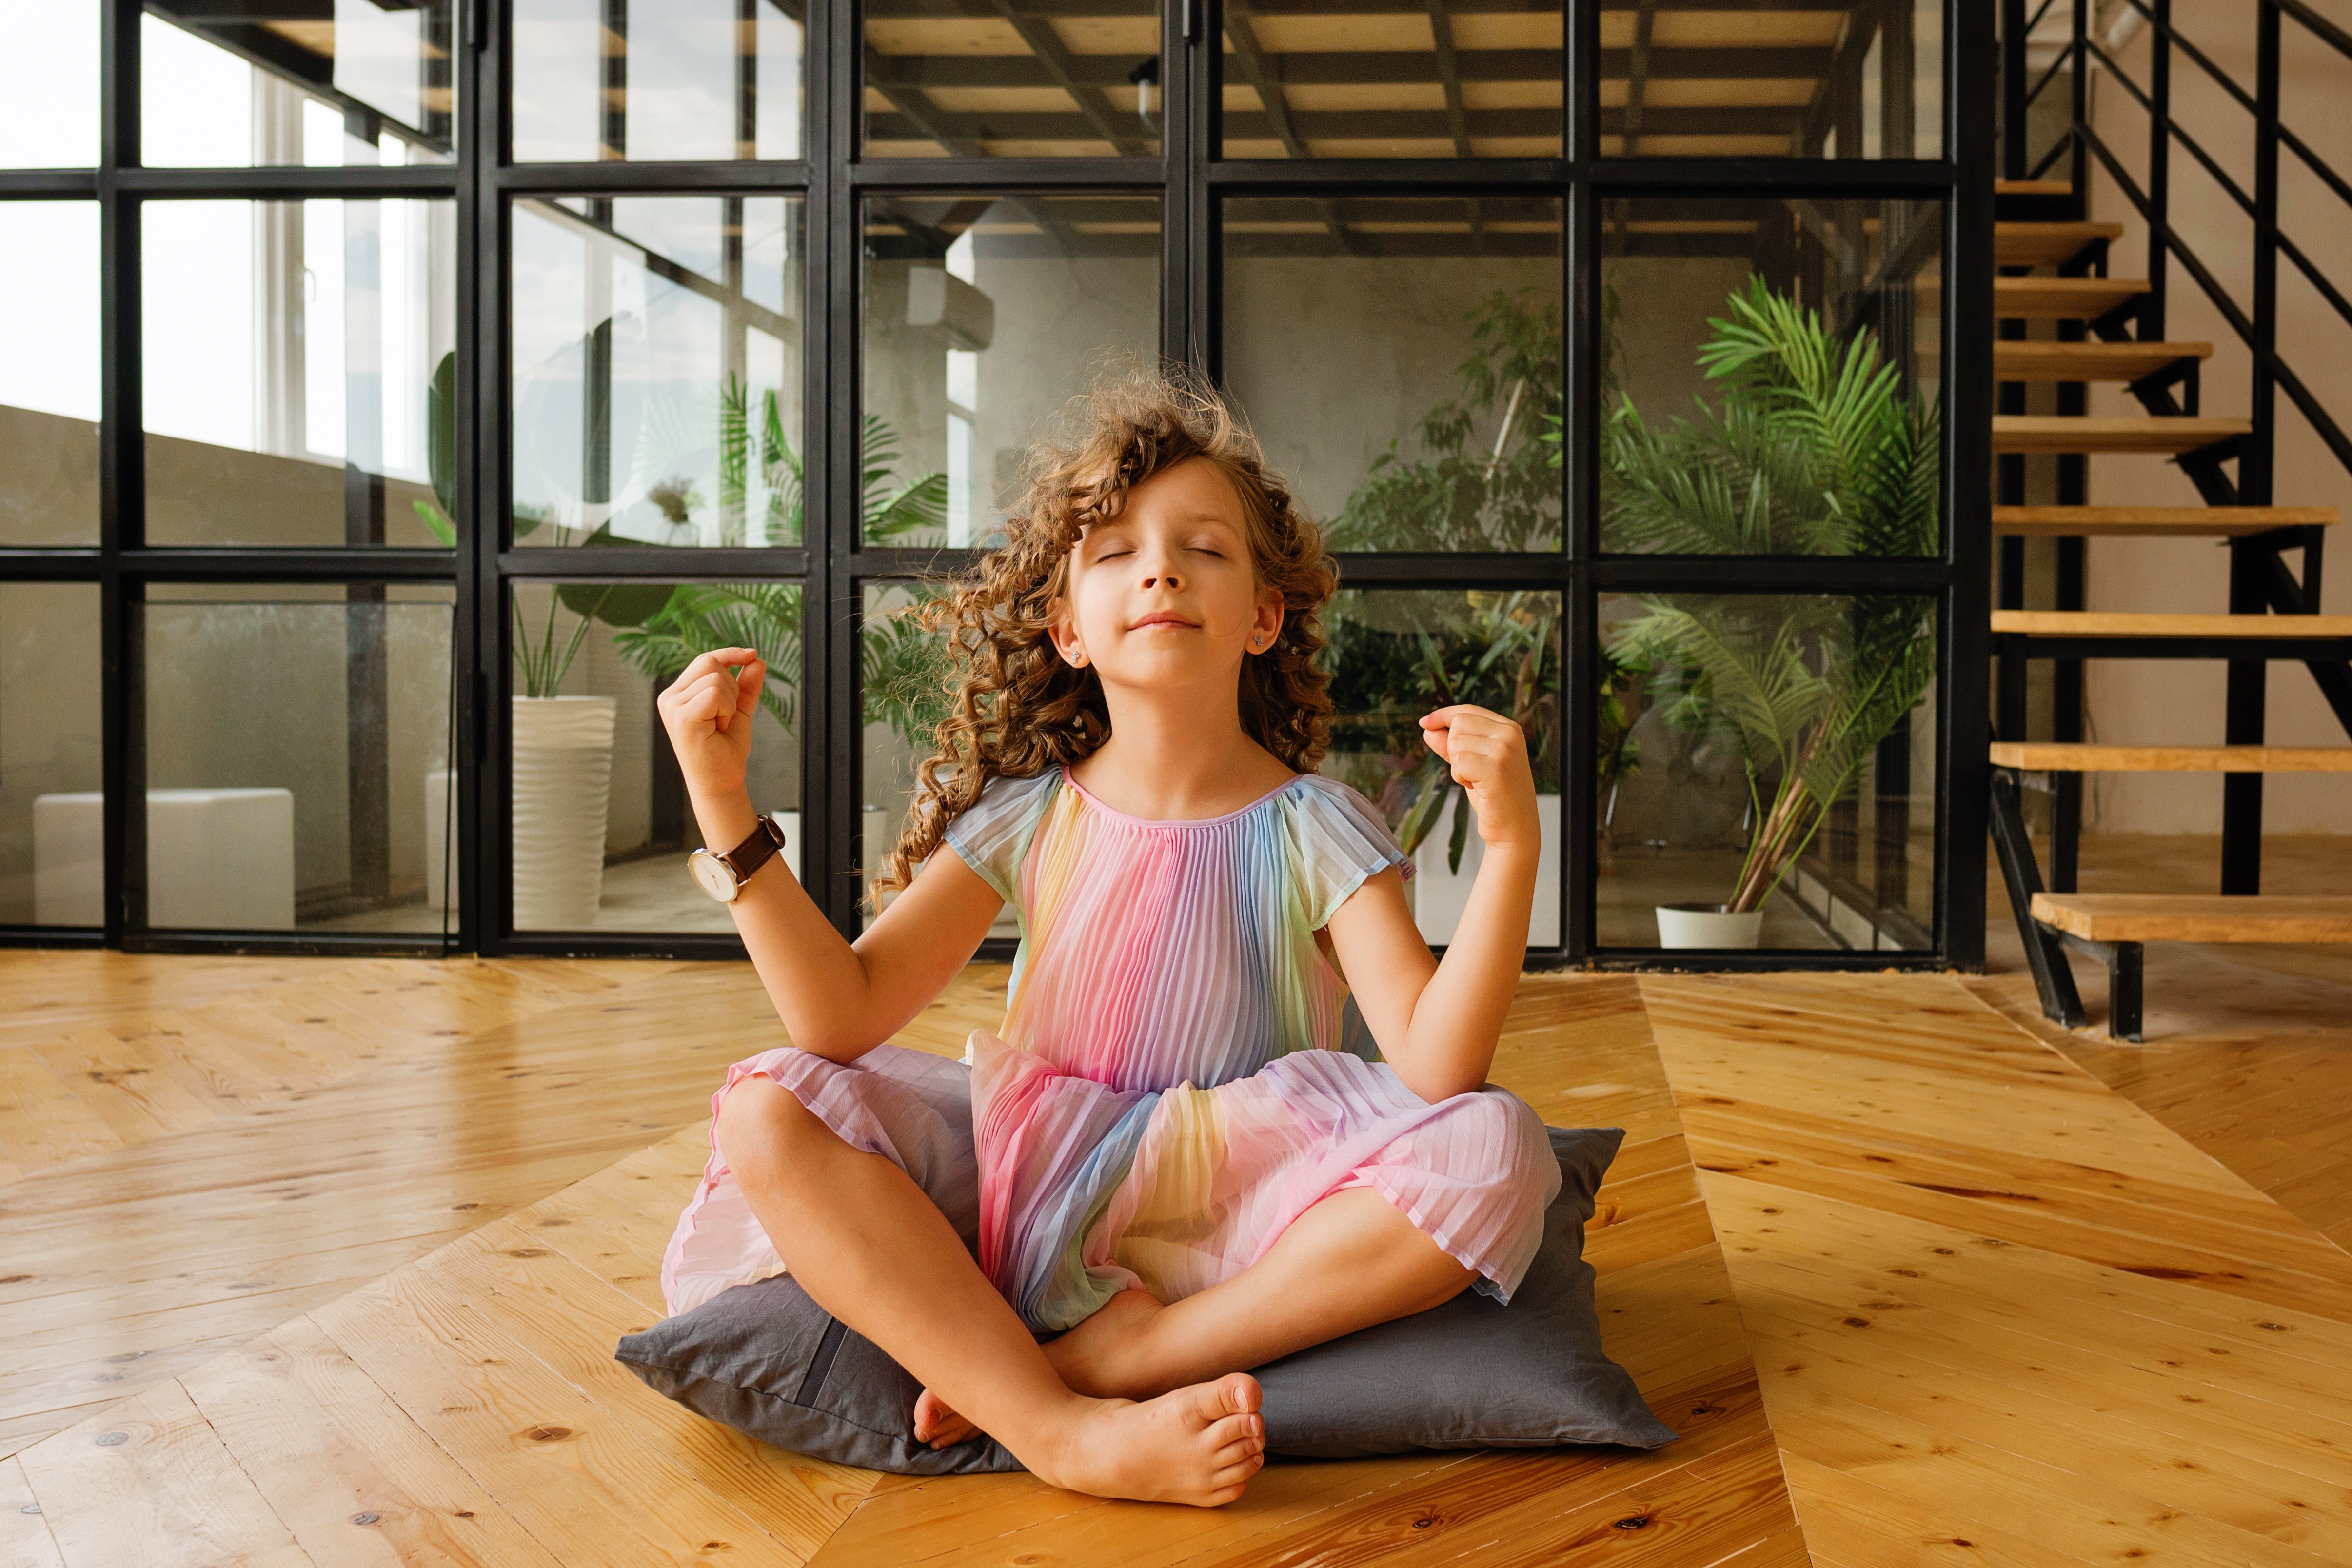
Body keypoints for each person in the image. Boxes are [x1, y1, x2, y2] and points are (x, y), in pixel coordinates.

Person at [653, 366, 1559, 1508]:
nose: (1161, 569)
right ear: (1067, 626)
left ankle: (1118, 1361)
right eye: (1117, 551)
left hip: (1252, 1209)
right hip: (1038, 1190)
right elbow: (837, 1015)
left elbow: (1436, 1065)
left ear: (1264, 616)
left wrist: (1513, 848)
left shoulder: (1318, 822)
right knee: (764, 1109)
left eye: (1203, 548)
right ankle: (1062, 1429)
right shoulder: (1028, 812)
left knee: (1499, 1147)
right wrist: (724, 805)